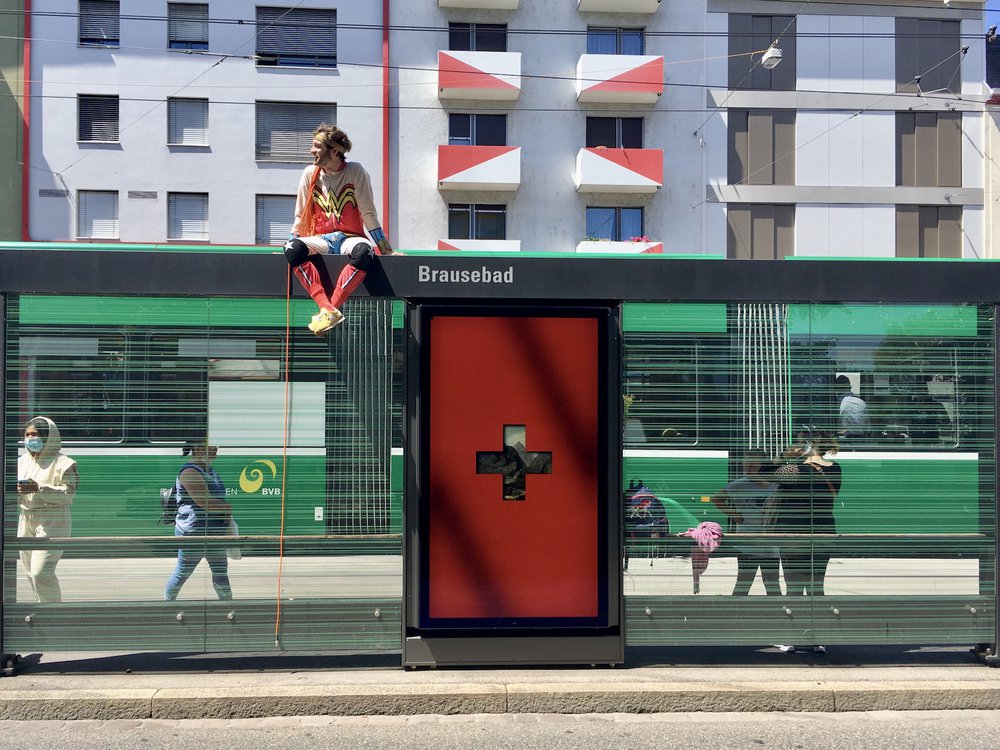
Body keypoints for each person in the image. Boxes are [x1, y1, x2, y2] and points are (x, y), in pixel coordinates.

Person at [282, 124, 397, 336]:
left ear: (334, 151)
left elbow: (368, 214)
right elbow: (300, 215)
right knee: (291, 248)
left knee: (364, 251)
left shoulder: (355, 171)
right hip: (321, 239)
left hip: (349, 238)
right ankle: (327, 308)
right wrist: (291, 242)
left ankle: (330, 308)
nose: (312, 151)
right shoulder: (310, 173)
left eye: (317, 146)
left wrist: (386, 250)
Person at [17, 416, 79, 603]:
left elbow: (68, 495)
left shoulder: (63, 463)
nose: (30, 439)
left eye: (34, 434)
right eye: (27, 435)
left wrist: (40, 488)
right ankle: (44, 609)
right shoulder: (22, 461)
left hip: (52, 520)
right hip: (26, 517)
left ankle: (54, 613)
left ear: (47, 436)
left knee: (40, 572)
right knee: (29, 572)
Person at [164, 440, 234, 601]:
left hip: (214, 531)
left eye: (216, 446)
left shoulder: (209, 470)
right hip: (193, 534)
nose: (216, 450)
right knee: (183, 571)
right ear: (197, 448)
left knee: (220, 570)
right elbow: (205, 502)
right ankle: (167, 603)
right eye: (211, 447)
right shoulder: (190, 472)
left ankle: (228, 604)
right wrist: (227, 509)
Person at [709, 449, 781, 596]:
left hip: (771, 545)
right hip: (748, 545)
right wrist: (736, 516)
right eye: (746, 465)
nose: (748, 469)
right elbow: (716, 499)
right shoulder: (739, 485)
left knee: (772, 584)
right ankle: (735, 614)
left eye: (753, 466)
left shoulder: (776, 486)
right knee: (743, 582)